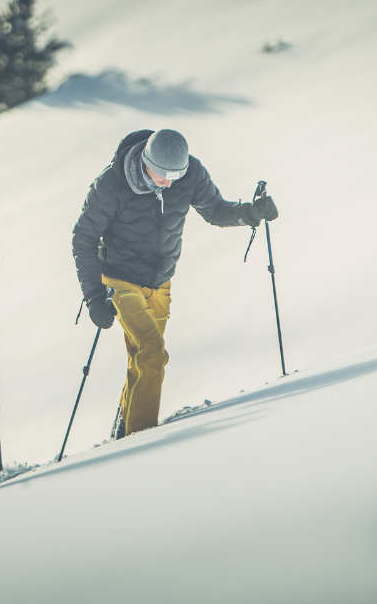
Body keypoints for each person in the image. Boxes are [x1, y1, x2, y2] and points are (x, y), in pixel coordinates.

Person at [72, 129, 278, 439]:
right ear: (144, 161)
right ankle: (139, 440)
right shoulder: (111, 184)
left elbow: (216, 210)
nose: (170, 181)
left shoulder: (190, 174)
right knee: (153, 353)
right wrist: (92, 297)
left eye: (176, 174)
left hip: (161, 281)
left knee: (142, 357)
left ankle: (125, 425)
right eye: (163, 174)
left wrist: (250, 213)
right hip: (120, 279)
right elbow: (84, 239)